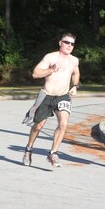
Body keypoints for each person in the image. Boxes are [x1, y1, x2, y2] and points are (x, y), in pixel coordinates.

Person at [22, 33, 80, 167]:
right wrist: (51, 69)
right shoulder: (50, 57)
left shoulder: (74, 60)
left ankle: (53, 153)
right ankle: (29, 148)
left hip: (63, 96)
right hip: (47, 95)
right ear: (60, 43)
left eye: (72, 44)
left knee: (63, 124)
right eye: (67, 42)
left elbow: (76, 73)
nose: (69, 46)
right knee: (38, 126)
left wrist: (75, 86)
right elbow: (35, 73)